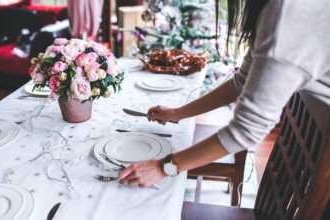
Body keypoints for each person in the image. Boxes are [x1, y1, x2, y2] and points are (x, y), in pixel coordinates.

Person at [119, 0, 330, 187]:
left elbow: (247, 131)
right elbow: (240, 82)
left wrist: (164, 167)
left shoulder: (291, 12)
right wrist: (177, 113)